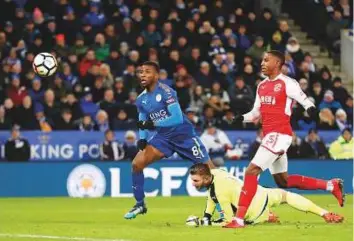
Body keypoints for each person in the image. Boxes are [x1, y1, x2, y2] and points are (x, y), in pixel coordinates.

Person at [224, 50, 344, 229]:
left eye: (266, 60)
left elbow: (305, 101)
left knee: (251, 171)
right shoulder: (262, 85)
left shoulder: (288, 83)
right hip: (271, 136)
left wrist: (312, 111)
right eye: (262, 60)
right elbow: (257, 112)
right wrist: (242, 118)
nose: (262, 63)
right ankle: (330, 185)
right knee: (283, 181)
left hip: (280, 135)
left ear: (278, 63)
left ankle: (239, 219)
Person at [124, 61, 214, 219]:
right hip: (163, 138)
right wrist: (143, 139)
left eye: (147, 72)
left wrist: (153, 123)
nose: (143, 74)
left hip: (184, 136)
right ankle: (139, 204)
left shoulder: (167, 92)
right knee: (137, 164)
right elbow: (142, 118)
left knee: (211, 173)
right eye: (141, 72)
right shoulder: (141, 99)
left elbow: (177, 118)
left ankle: (229, 207)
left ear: (156, 76)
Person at [189, 163, 344, 226]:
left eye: (195, 180)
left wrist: (204, 223)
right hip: (259, 192)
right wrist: (207, 215)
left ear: (206, 178)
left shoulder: (219, 191)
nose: (193, 183)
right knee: (286, 196)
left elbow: (228, 220)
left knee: (244, 220)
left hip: (252, 210)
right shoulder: (216, 172)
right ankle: (325, 213)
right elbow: (211, 196)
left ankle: (266, 216)